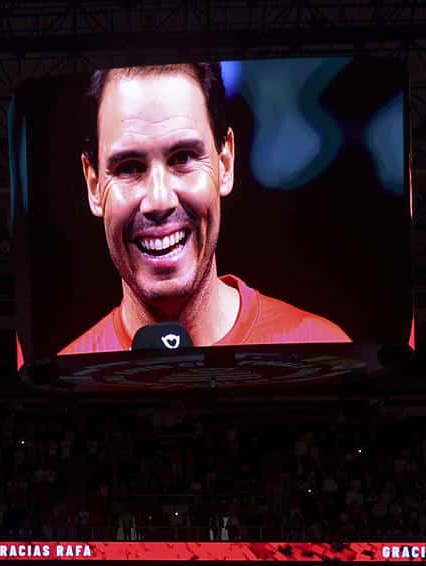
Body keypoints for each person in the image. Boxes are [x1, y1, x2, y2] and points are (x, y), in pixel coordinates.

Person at [60, 63, 352, 356]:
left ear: (225, 164)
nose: (159, 200)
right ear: (94, 185)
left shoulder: (322, 353)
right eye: (129, 168)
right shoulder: (65, 384)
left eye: (183, 157)